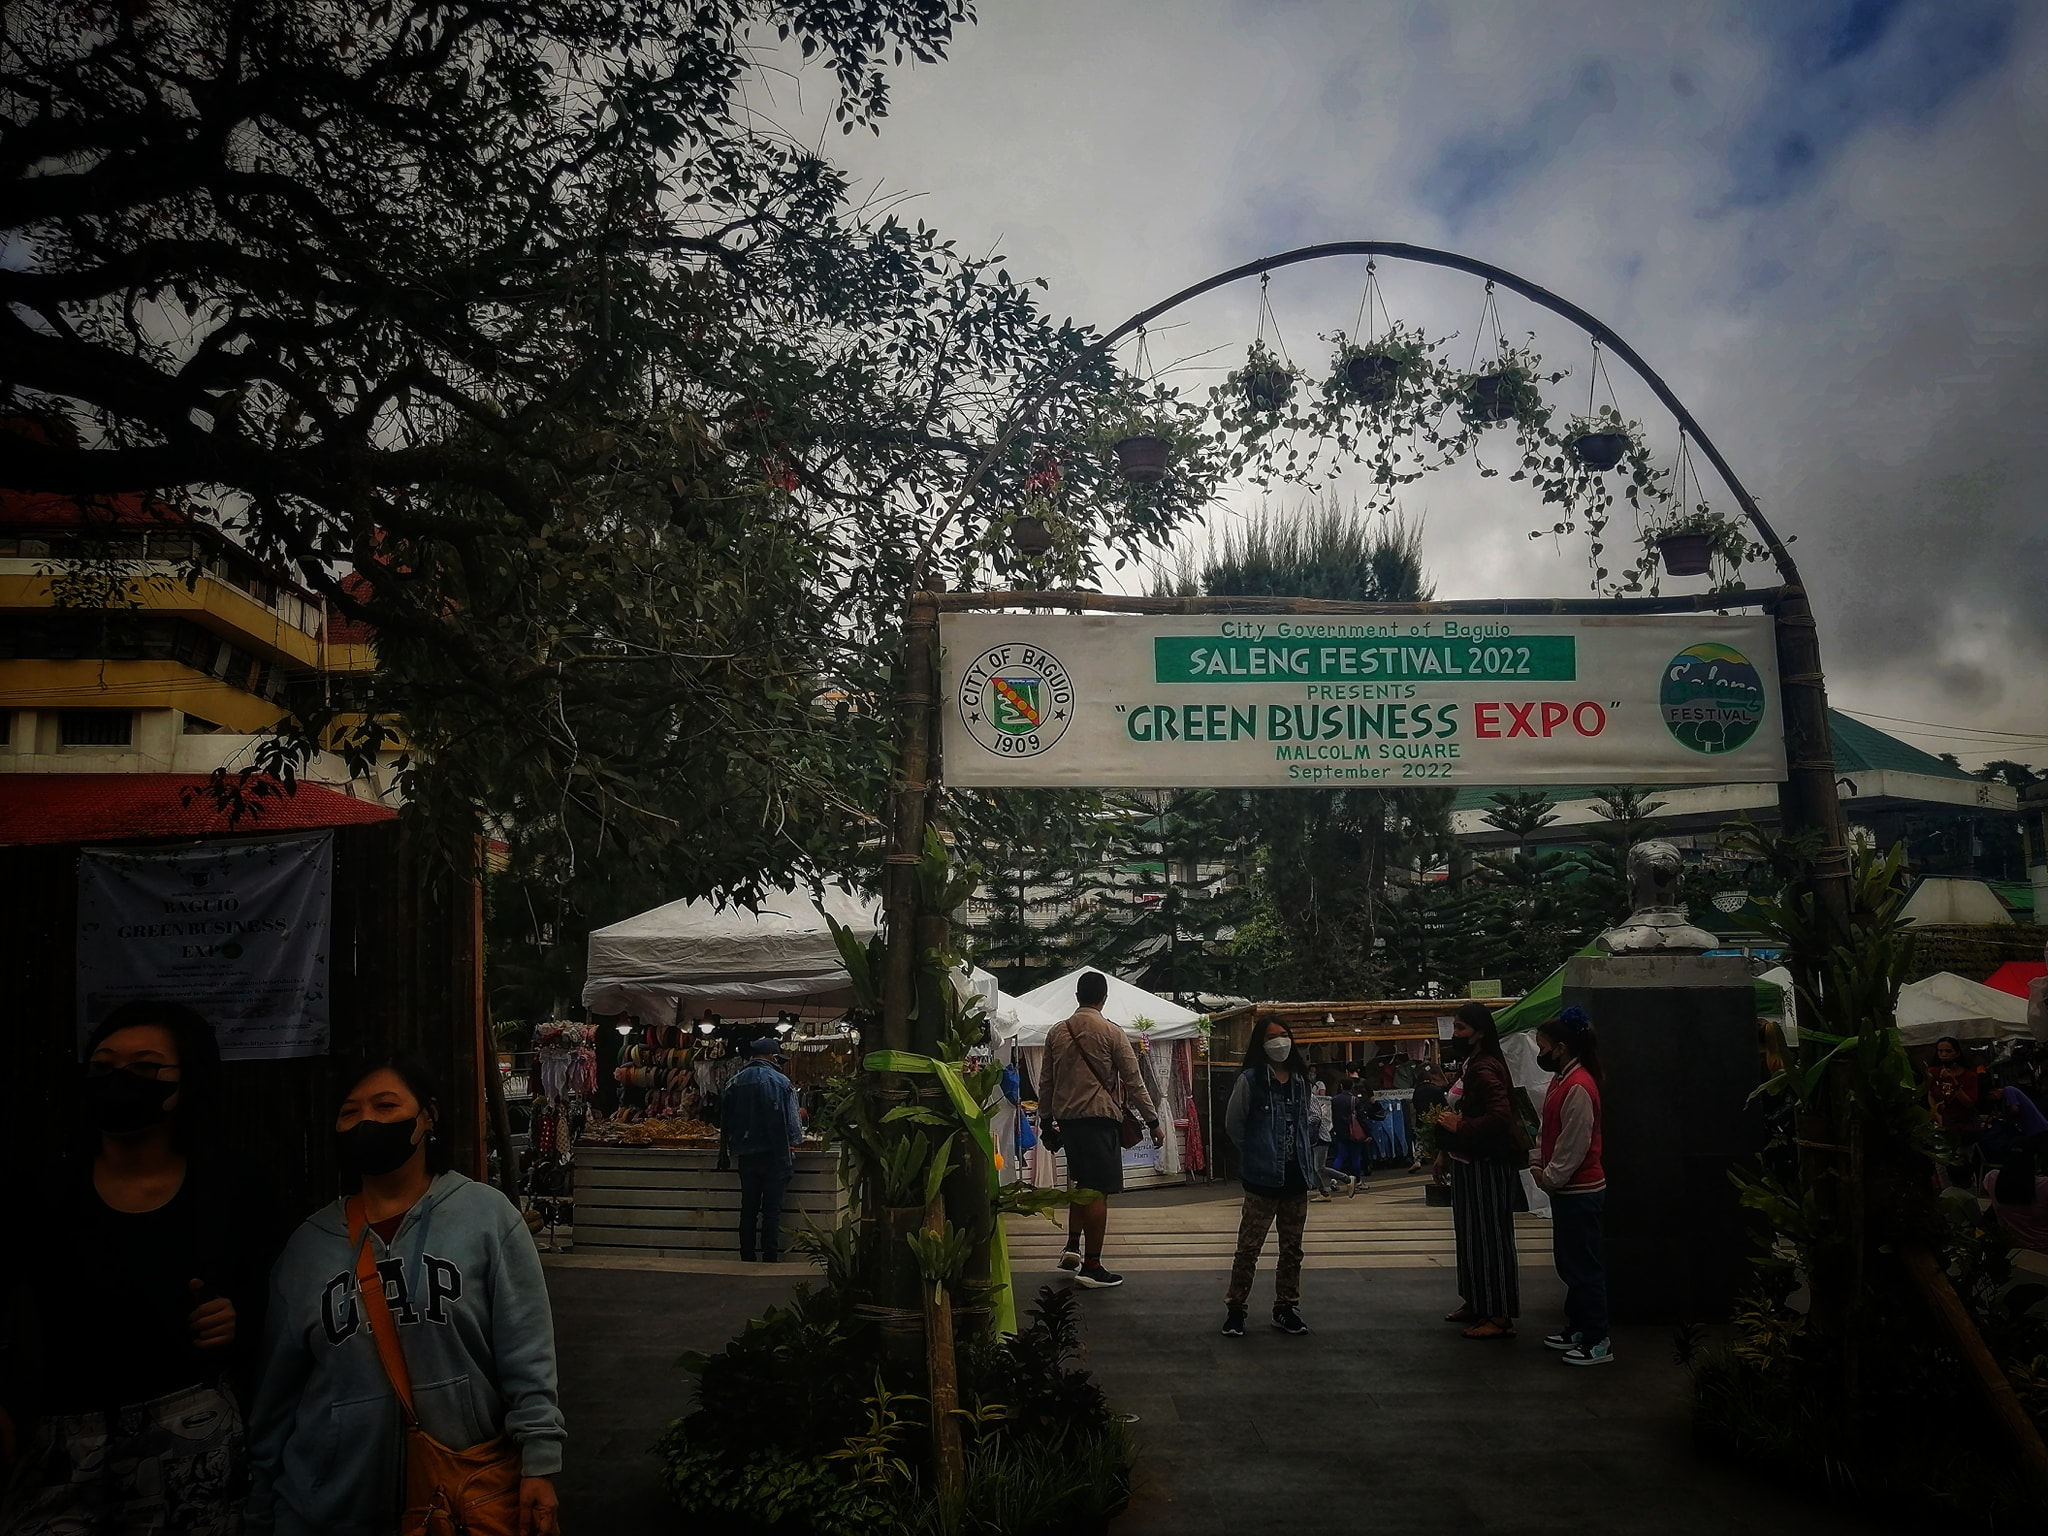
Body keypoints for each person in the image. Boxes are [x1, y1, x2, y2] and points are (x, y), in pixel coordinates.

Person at [247, 1055, 565, 1536]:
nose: (366, 1121)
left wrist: (539, 1460)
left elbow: (527, 1351)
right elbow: (276, 1393)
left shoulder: (485, 1218)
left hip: (457, 1501)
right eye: (350, 1111)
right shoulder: (307, 1247)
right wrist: (260, 1506)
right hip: (327, 1508)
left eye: (385, 1105)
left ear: (427, 1116)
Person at [3, 1000, 283, 1536]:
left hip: (191, 1431)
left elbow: (272, 1298)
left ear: (189, 1080)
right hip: (57, 1438)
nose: (121, 1080)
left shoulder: (233, 1186)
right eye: (104, 1066)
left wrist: (237, 1317)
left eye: (145, 1067)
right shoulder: (38, 1189)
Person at [1038, 970, 1162, 1289]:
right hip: (1099, 1121)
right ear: (1103, 999)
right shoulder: (1111, 1032)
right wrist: (1153, 1121)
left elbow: (1047, 1081)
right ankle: (1092, 1265)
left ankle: (1072, 1246)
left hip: (1068, 1122)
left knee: (1081, 1184)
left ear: (1077, 997)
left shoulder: (1057, 1032)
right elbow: (1133, 1082)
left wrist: (1045, 1119)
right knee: (1097, 1191)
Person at [1220, 1016, 1316, 1336]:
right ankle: (1236, 1308)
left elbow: (1307, 1122)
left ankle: (1286, 1307)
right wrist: (1257, 1151)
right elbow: (1234, 1124)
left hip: (1296, 1176)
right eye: (1273, 1036)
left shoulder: (1301, 1080)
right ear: (1261, 1043)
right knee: (1248, 1248)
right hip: (1261, 1177)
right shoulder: (1250, 1080)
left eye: (1285, 1035)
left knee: (1292, 1248)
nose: (1280, 1042)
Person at [1433, 1001, 1521, 1340]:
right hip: (1467, 1163)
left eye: (1461, 1029)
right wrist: (1446, 1152)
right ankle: (1476, 1300)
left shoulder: (1484, 1068)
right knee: (1470, 1237)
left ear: (1480, 1032)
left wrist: (1461, 1127)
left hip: (1486, 1165)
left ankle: (1498, 1314)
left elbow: (1499, 1116)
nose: (1455, 1034)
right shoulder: (1470, 1064)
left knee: (1490, 1239)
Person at [1531, 1008, 1611, 1367]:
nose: (1541, 1053)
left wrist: (1550, 1176)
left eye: (1544, 1047)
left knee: (1583, 1266)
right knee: (1570, 1263)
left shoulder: (1578, 1085)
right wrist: (1539, 1162)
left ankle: (1597, 1339)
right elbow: (1548, 1127)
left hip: (1580, 1190)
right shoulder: (1562, 1080)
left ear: (1561, 1048)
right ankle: (1578, 1327)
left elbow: (1574, 1143)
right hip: (1568, 1190)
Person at [719, 1039, 805, 1263]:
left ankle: (746, 1258)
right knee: (771, 1211)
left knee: (748, 1210)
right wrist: (795, 1141)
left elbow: (724, 1122)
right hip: (775, 1155)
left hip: (746, 1156)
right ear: (773, 1057)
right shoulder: (781, 1081)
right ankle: (770, 1258)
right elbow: (794, 1128)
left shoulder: (734, 1082)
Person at [1984, 1146, 2048, 1255]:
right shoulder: (2044, 1185)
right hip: (2042, 1251)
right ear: (2036, 1160)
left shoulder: (1992, 1178)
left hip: (2007, 1249)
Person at [1329, 1075, 1369, 1190]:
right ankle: (1357, 1181)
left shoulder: (1334, 1100)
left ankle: (1334, 1179)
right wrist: (1367, 1132)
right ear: (1352, 1087)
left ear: (1341, 1086)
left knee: (1340, 1156)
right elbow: (1361, 1117)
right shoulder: (1355, 1100)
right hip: (1354, 1132)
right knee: (1355, 1157)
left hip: (1340, 1132)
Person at [1307, 1077, 1338, 1199]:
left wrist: (1304, 1123)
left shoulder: (1310, 1098)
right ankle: (1320, 1189)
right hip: (1313, 1137)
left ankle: (1345, 1179)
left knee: (1318, 1168)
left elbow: (1315, 1117)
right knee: (1314, 1167)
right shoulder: (1303, 1098)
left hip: (1319, 1137)